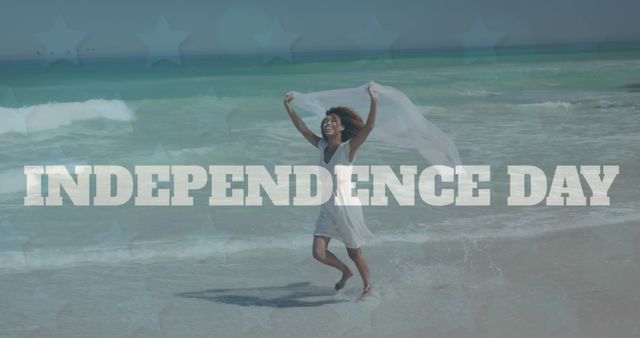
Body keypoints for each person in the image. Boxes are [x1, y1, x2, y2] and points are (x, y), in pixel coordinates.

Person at [284, 82, 378, 301]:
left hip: (346, 207)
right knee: (318, 252)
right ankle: (346, 271)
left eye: (332, 121)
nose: (327, 123)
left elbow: (369, 128)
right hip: (327, 207)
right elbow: (302, 129)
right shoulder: (322, 147)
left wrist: (374, 100)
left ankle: (368, 287)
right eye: (325, 121)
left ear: (342, 127)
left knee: (354, 252)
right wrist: (288, 106)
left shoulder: (348, 149)